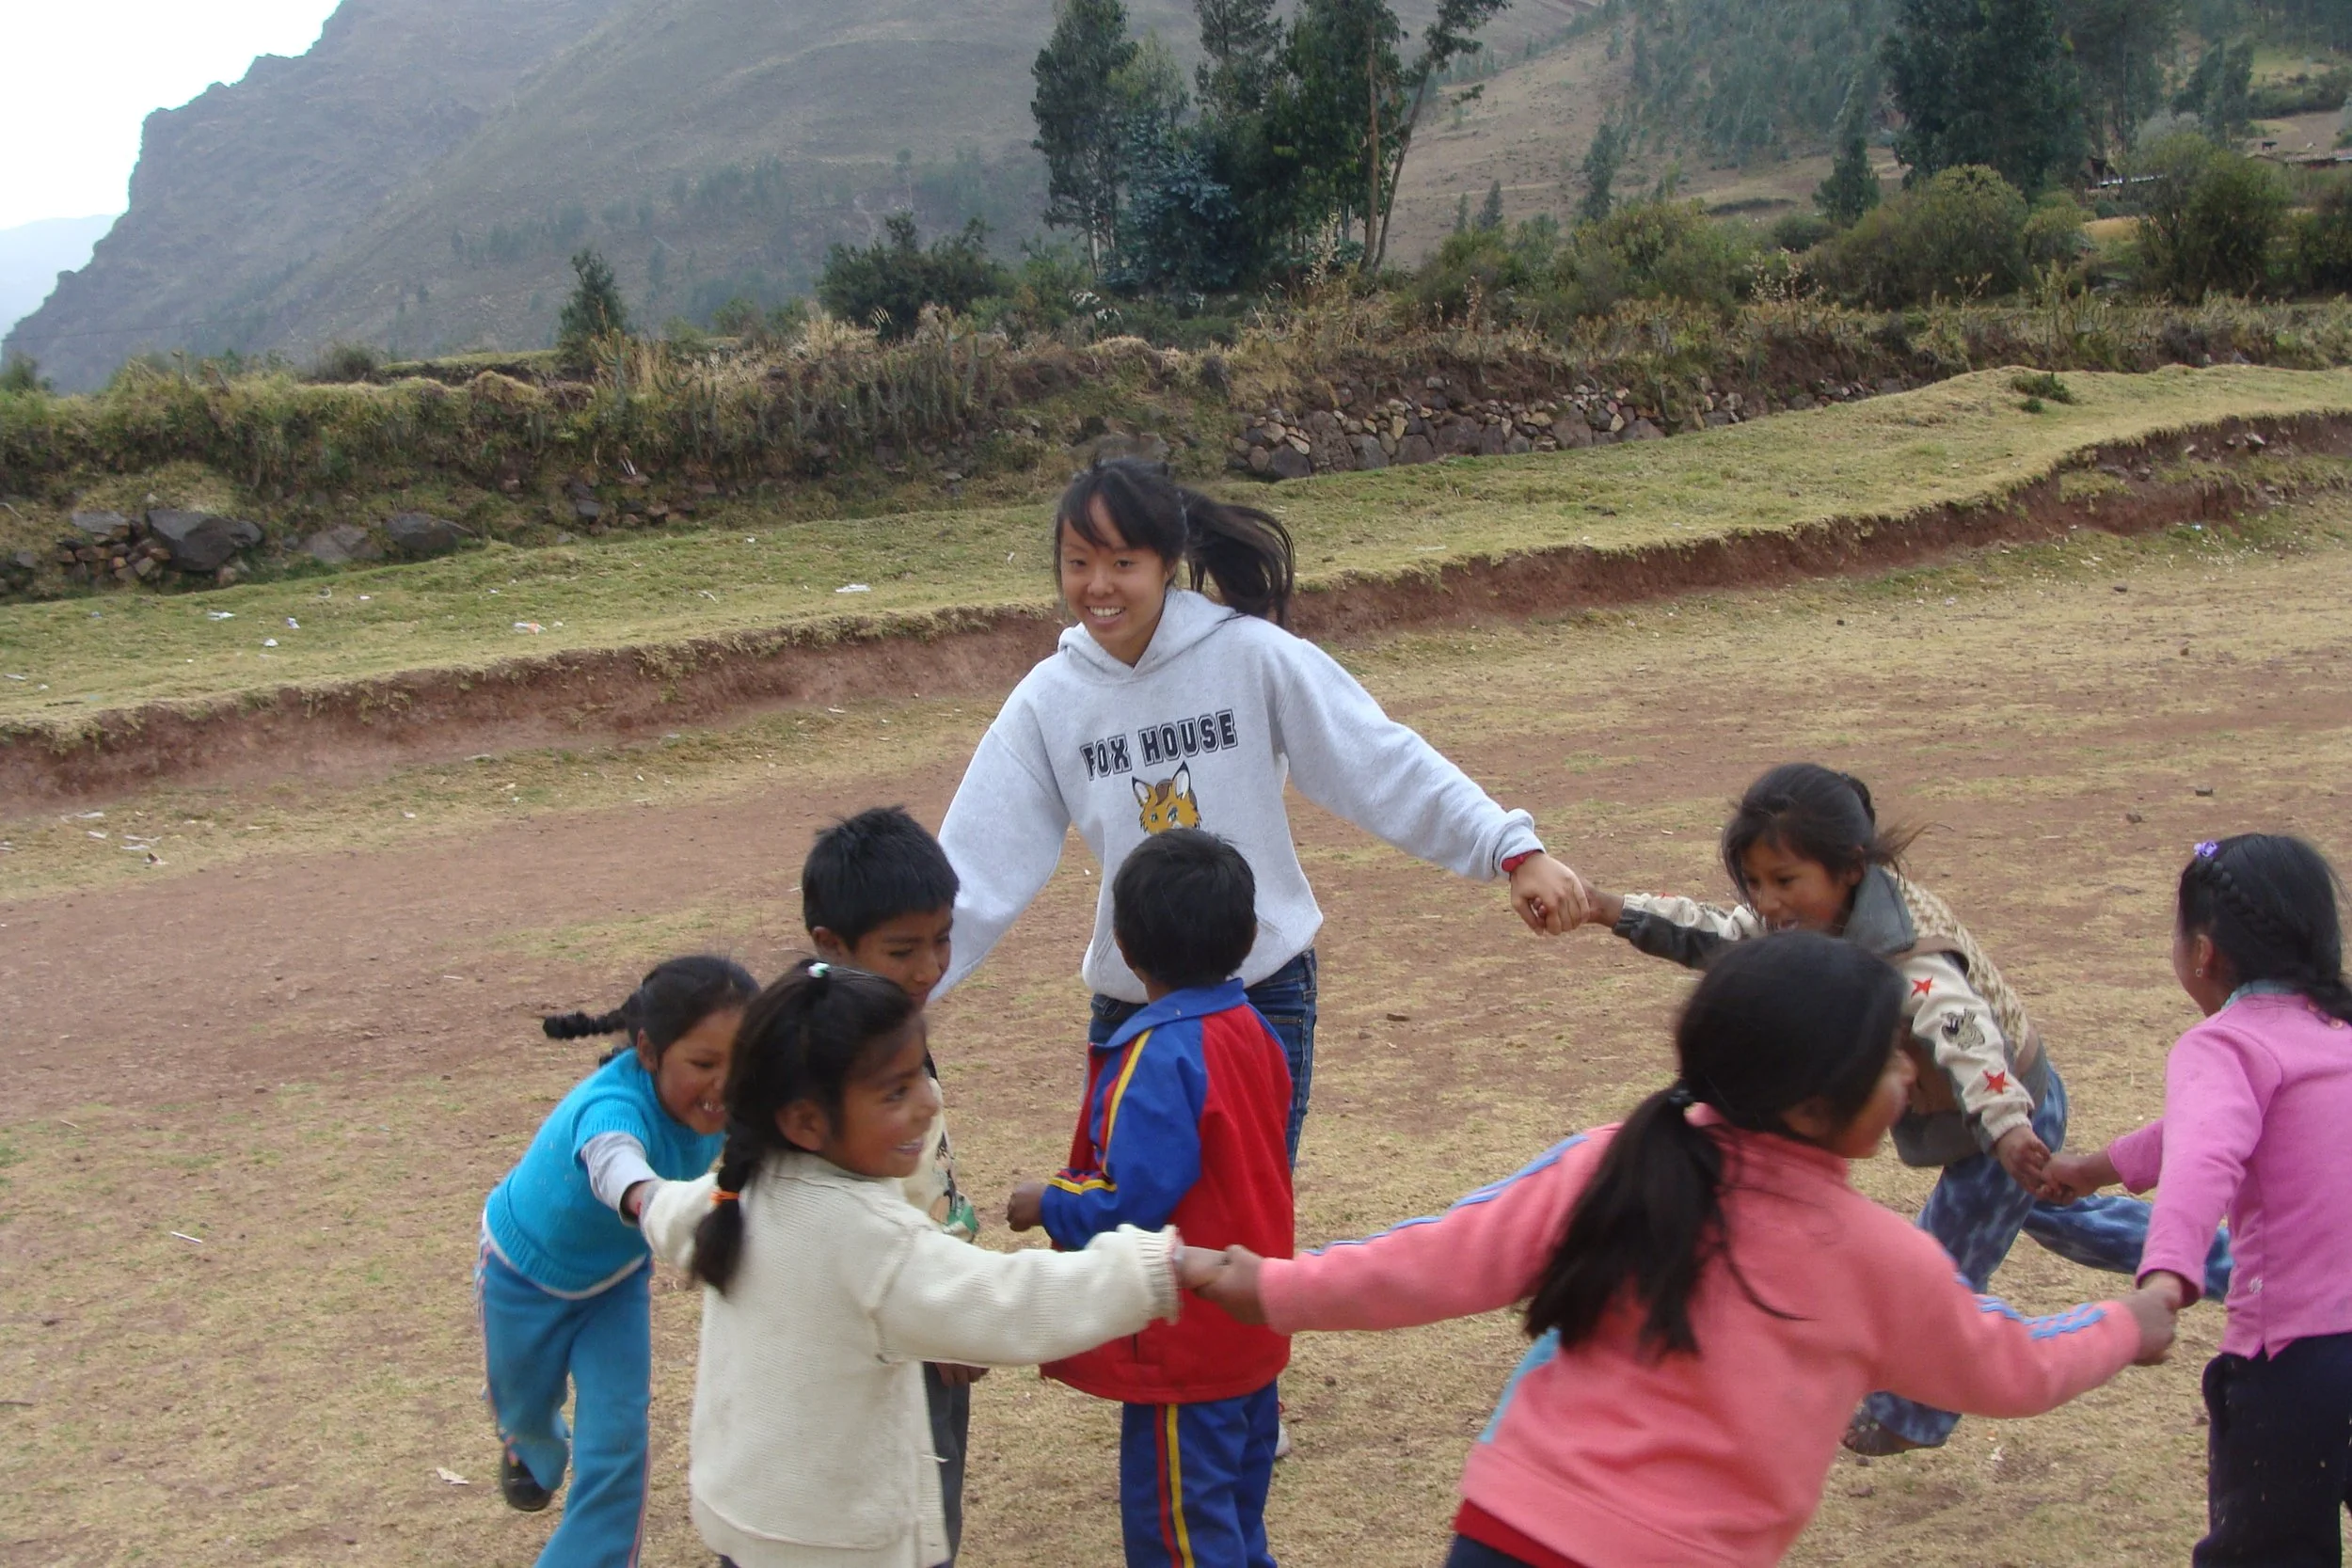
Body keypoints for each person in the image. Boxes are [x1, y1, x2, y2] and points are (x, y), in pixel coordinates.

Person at [1190, 932, 2178, 1568]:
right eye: (1890, 1055)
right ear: (1809, 1103)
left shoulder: (1615, 1159)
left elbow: (1435, 1258)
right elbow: (2004, 1362)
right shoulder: (1878, 1259)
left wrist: (1272, 1285)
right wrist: (2121, 1324)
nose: (1909, 1073)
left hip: (1503, 1532)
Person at [934, 457, 1588, 1165]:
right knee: (1125, 1236)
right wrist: (892, 988)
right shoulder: (1047, 701)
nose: (1098, 586)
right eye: (1077, 562)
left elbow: (1378, 758)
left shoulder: (1251, 656)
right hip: (1133, 1006)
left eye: (1123, 561)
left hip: (1259, 992)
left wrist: (1509, 847)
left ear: (1167, 562)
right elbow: (978, 856)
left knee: (1241, 1234)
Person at [1571, 761, 2229, 1454]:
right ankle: (2240, 1267)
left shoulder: (1908, 952)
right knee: (2069, 1223)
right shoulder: (1813, 918)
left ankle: (1912, 1415)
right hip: (1976, 1116)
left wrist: (2006, 1131)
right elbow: (1713, 932)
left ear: (1850, 868)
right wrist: (1608, 905)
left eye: (1784, 881)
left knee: (1939, 1265)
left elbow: (1967, 1035)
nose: (1767, 901)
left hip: (2003, 1111)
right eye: (1757, 882)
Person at [643, 960, 1216, 1568]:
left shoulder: (739, 1188)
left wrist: (627, 1184)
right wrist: (1156, 1267)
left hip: (741, 1518)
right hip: (843, 1546)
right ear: (807, 1120)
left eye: (921, 1075)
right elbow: (1006, 1301)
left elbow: (662, 1210)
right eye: (896, 1090)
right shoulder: (871, 1239)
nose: (929, 1101)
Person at [2042, 834, 2352, 1567]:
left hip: (2301, 1360)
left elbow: (2206, 1150)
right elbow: (2204, 1128)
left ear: (2203, 952)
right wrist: (2092, 1169)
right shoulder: (2336, 1038)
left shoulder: (2227, 1046)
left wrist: (2164, 1281)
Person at [1006, 829, 1294, 1568]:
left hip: (1184, 1337)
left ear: (1125, 950)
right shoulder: (1256, 1031)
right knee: (1232, 1521)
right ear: (1249, 936)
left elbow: (1124, 1201)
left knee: (1181, 1538)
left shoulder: (1159, 1054)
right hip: (1251, 1322)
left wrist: (1048, 1199)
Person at [477, 955, 757, 1566]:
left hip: (616, 1284)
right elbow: (613, 1162)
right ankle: (530, 1442)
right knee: (524, 1406)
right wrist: (648, 1198)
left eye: (741, 1065)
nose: (724, 1086)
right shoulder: (611, 1107)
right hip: (521, 1273)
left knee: (618, 1442)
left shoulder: (734, 1098)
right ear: (649, 1051)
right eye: (704, 1064)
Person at [803, 805, 982, 1560]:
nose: (929, 967)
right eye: (903, 949)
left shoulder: (888, 1026)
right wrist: (938, 1316)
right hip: (888, 1327)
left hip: (932, 1304)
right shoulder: (817, 1062)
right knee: (901, 1516)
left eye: (942, 939)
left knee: (930, 1503)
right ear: (831, 946)